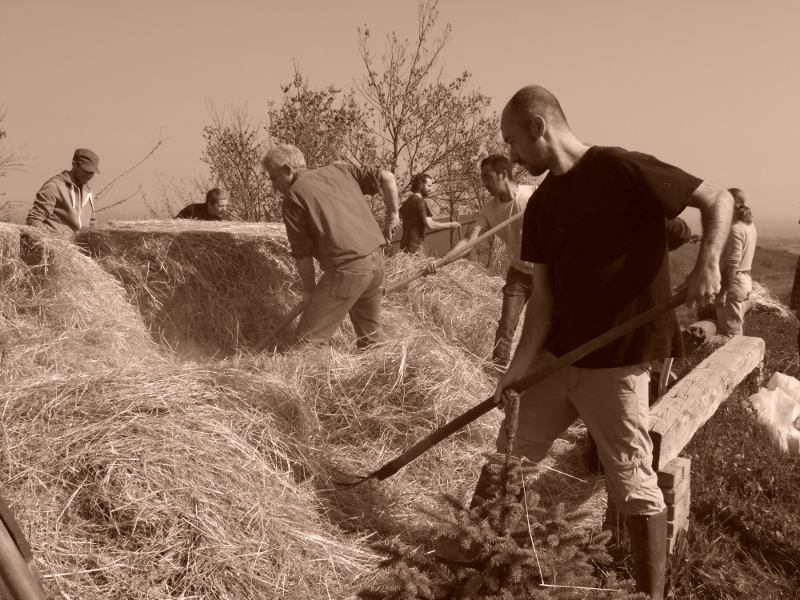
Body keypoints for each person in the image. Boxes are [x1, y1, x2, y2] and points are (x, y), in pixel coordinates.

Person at [489, 85, 732, 599]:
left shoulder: (623, 169)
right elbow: (544, 301)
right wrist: (518, 368)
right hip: (557, 359)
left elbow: (716, 198)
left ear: (539, 126)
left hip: (619, 364)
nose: (511, 155)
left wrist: (709, 261)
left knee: (633, 485)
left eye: (513, 141)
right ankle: (473, 564)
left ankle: (650, 594)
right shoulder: (542, 205)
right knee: (505, 459)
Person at [261, 144, 400, 348]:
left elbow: (303, 255)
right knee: (371, 340)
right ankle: (386, 377)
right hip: (376, 261)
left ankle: (310, 380)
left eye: (273, 178)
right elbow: (388, 177)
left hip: (348, 269)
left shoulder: (294, 197)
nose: (273, 186)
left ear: (286, 170)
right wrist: (393, 215)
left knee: (307, 343)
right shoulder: (340, 170)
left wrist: (310, 293)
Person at [427, 154, 537, 369]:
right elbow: (469, 241)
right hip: (519, 273)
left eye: (488, 177)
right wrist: (442, 261)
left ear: (503, 174)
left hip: (546, 273)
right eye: (482, 179)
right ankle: (497, 372)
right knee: (506, 324)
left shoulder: (533, 195)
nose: (484, 183)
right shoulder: (489, 209)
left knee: (550, 325)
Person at [27, 148, 100, 235]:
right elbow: (34, 220)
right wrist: (51, 241)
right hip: (57, 245)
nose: (89, 175)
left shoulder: (89, 192)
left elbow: (91, 224)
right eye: (85, 170)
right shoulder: (54, 186)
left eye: (92, 172)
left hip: (79, 247)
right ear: (74, 165)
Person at [714, 188, 757, 336]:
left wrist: (723, 292)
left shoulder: (734, 229)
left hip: (733, 281)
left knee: (730, 332)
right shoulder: (749, 225)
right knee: (734, 326)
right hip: (743, 280)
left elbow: (733, 264)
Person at [398, 173, 460, 254]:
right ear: (420, 185)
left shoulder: (408, 201)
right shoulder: (420, 202)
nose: (431, 189)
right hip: (414, 250)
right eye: (429, 186)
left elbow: (398, 218)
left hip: (403, 248)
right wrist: (450, 225)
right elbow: (430, 225)